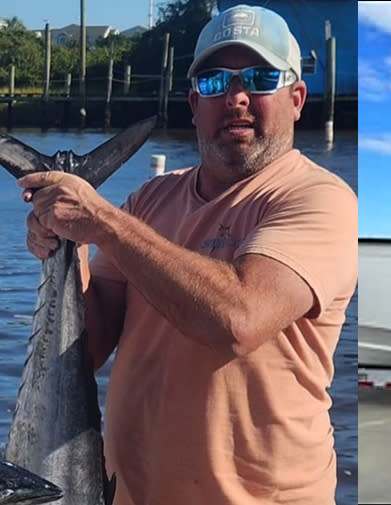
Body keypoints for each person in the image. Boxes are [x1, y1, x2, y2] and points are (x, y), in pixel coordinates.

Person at [19, 4, 357, 505]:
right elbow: (87, 350)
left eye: (261, 78)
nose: (237, 97)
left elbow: (239, 319)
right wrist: (67, 246)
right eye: (216, 82)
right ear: (194, 103)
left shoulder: (318, 200)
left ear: (297, 98)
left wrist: (103, 223)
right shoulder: (151, 201)